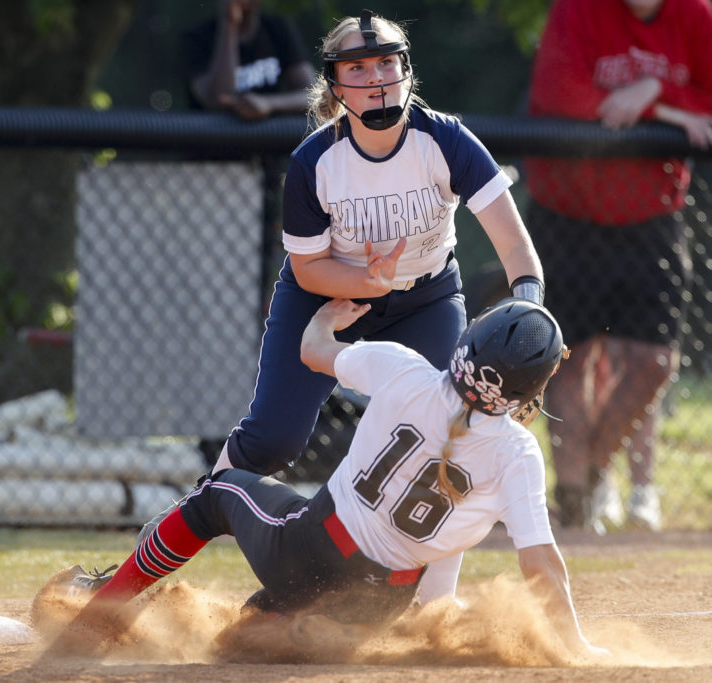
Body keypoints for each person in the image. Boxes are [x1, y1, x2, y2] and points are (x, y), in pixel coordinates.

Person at [149, 9, 547, 605]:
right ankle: (170, 540)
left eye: (386, 61)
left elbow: (517, 250)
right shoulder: (315, 161)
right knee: (272, 441)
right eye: (357, 67)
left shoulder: (446, 140)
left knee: (455, 433)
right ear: (335, 85)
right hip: (324, 297)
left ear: (406, 69)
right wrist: (372, 282)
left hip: (428, 297)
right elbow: (309, 267)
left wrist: (531, 312)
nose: (377, 78)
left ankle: (430, 606)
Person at [41, 298, 606, 660]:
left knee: (217, 493)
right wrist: (574, 645)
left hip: (312, 548)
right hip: (383, 600)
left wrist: (324, 314)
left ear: (468, 342)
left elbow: (313, 352)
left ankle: (97, 615)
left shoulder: (404, 370)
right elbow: (539, 564)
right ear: (528, 393)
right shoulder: (519, 455)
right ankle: (289, 623)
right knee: (252, 628)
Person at [523, 0, 712, 532]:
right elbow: (559, 94)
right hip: (567, 210)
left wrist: (651, 89)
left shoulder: (693, 15)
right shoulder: (577, 10)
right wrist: (658, 105)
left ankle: (594, 470)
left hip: (650, 213)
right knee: (569, 359)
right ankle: (572, 503)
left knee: (656, 361)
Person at [182, 0, 316, 120]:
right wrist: (229, 25)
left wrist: (269, 104)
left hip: (269, 140)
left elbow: (313, 96)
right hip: (214, 142)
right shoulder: (195, 39)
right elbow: (218, 100)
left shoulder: (278, 28)